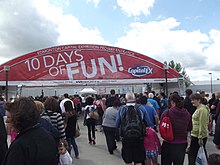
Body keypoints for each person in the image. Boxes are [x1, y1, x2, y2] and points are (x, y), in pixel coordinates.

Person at [2, 97, 58, 165]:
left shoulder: (20, 146)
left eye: (9, 117)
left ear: (18, 118)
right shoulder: (48, 136)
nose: (7, 121)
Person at [116, 92, 150, 165]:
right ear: (134, 99)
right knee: (138, 160)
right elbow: (148, 122)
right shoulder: (141, 108)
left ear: (125, 100)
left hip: (126, 137)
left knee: (128, 160)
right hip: (139, 137)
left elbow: (117, 123)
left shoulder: (122, 109)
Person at [160, 94, 192, 165]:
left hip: (169, 143)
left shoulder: (167, 113)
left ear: (172, 102)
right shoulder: (187, 114)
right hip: (182, 144)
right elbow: (189, 127)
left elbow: (161, 127)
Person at [188, 93, 210, 165]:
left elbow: (202, 124)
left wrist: (200, 137)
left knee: (194, 153)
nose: (192, 102)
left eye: (193, 100)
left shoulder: (202, 110)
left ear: (199, 100)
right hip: (196, 134)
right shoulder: (200, 109)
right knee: (198, 153)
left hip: (198, 135)